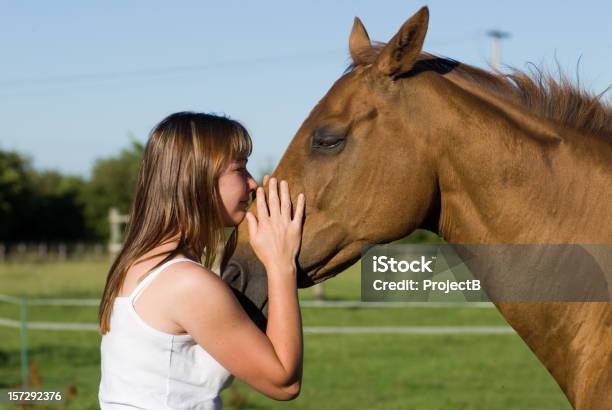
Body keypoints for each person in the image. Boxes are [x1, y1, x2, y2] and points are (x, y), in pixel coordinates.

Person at [98, 112, 305, 409]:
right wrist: (281, 264)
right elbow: (283, 381)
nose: (252, 183)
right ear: (197, 177)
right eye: (240, 168)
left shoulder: (137, 265)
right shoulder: (186, 282)